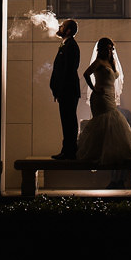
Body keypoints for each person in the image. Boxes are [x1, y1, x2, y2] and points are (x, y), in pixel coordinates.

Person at [74, 37, 131, 187]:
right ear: (101, 49)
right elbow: (86, 74)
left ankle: (111, 155)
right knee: (107, 120)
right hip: (100, 97)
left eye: (111, 48)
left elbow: (116, 77)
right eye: (107, 48)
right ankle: (98, 153)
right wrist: (93, 89)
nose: (110, 51)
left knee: (113, 121)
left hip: (110, 96)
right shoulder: (98, 62)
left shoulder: (112, 63)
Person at [49, 20, 81, 159]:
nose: (59, 27)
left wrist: (60, 89)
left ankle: (69, 151)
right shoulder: (66, 45)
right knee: (67, 120)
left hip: (68, 90)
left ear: (68, 31)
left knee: (69, 121)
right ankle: (67, 150)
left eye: (62, 26)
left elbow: (68, 70)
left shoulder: (71, 46)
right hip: (65, 90)